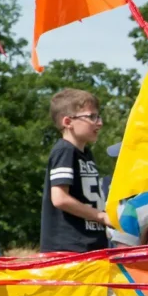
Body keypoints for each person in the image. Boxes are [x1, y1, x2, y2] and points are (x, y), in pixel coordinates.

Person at [40, 88, 111, 253]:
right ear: (67, 122)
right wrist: (100, 216)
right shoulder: (65, 150)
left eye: (98, 116)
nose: (99, 122)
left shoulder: (86, 154)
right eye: (91, 117)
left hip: (90, 245)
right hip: (68, 248)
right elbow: (60, 198)